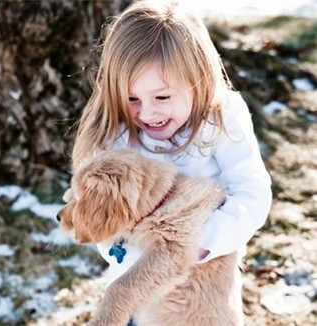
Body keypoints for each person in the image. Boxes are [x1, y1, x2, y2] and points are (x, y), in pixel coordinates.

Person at [71, 0, 272, 284]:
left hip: (205, 280)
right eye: (132, 99)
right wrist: (131, 257)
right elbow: (100, 213)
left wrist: (202, 241)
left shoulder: (221, 119)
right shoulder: (117, 135)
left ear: (198, 80)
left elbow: (251, 191)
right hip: (135, 284)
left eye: (162, 97)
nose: (147, 113)